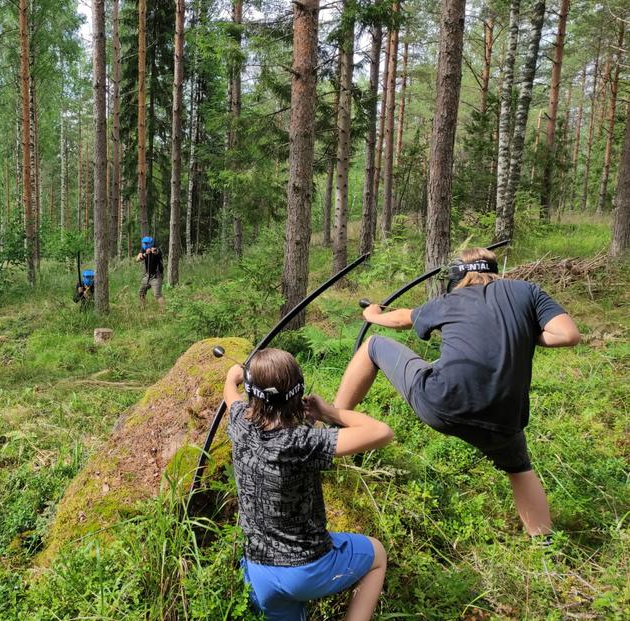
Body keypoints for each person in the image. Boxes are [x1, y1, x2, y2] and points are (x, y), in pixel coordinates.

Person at [334, 247, 581, 537]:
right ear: (493, 270)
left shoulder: (452, 299)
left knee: (374, 345)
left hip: (443, 403)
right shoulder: (528, 291)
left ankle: (331, 422)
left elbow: (402, 318)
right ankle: (544, 546)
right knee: (520, 468)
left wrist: (373, 315)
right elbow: (568, 334)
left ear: (457, 276)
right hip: (504, 418)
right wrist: (524, 331)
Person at [223, 348, 393, 621]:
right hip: (307, 570)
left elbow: (230, 396)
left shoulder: (240, 421)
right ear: (298, 394)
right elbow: (382, 432)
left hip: (259, 573)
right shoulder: (303, 442)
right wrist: (329, 411)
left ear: (252, 395)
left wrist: (233, 379)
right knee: (377, 555)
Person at [136, 236, 163, 307]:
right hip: (147, 276)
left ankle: (163, 311)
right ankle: (142, 307)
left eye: (146, 243)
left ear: (150, 243)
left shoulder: (156, 249)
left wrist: (153, 251)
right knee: (141, 292)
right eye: (144, 243)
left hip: (156, 276)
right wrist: (145, 254)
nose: (144, 244)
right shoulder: (143, 249)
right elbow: (137, 259)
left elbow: (157, 252)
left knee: (157, 295)